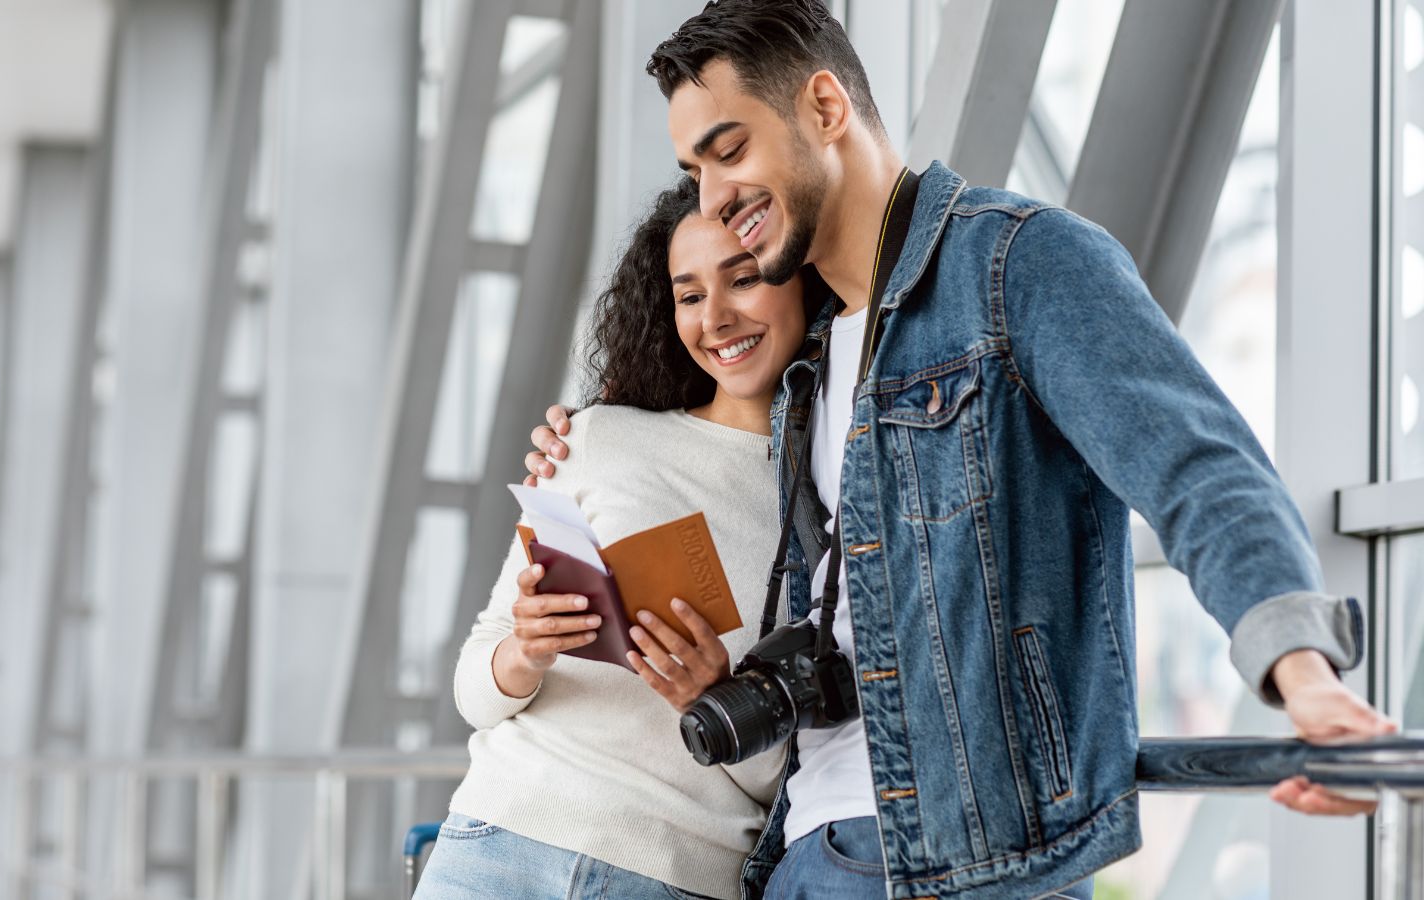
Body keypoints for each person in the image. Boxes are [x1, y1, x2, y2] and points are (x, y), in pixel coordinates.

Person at [523, 2, 1397, 898]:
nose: (714, 198)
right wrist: (583, 440)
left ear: (825, 108)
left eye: (730, 150)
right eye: (695, 169)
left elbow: (1199, 470)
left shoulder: (1018, 265)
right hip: (801, 855)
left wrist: (1302, 675)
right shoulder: (809, 358)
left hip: (962, 863)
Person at [415, 178, 831, 900]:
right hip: (498, 843)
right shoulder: (596, 438)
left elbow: (794, 779)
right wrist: (525, 650)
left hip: (675, 875)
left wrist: (714, 697)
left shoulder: (833, 501)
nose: (718, 317)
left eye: (743, 278)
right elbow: (474, 690)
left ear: (803, 278)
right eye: (690, 294)